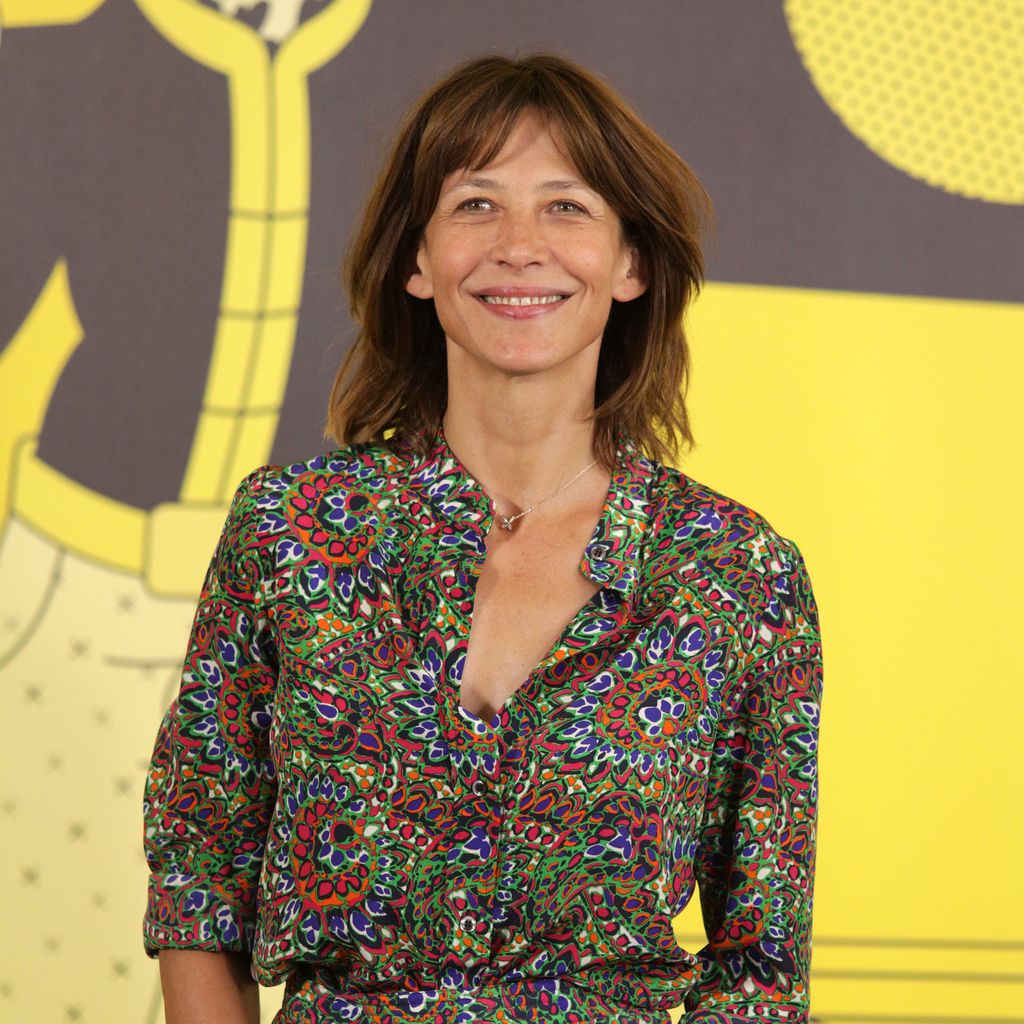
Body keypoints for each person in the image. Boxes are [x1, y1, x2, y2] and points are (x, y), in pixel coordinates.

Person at [143, 52, 824, 1024]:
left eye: (566, 206)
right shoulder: (289, 528)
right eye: (474, 204)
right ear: (417, 262)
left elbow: (760, 966)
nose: (518, 245)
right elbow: (199, 870)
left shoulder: (734, 573)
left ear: (631, 262)